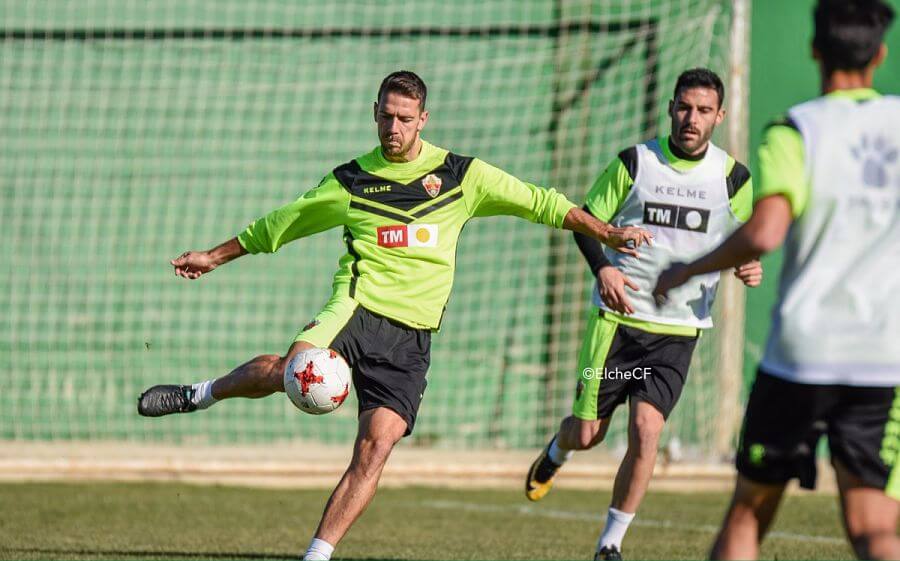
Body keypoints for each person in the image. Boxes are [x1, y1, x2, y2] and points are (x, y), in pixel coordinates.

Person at [136, 70, 650, 561]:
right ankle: (199, 394)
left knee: (374, 449)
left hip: (412, 338)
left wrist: (607, 234)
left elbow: (541, 202)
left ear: (423, 118)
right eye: (385, 117)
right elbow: (279, 226)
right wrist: (212, 255)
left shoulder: (462, 176)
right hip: (356, 311)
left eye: (404, 119)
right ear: (374, 114)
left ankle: (317, 553)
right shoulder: (352, 180)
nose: (393, 128)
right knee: (289, 374)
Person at [653, 2, 900, 559]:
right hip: (883, 357)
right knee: (873, 528)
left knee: (748, 514)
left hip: (802, 356)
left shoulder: (798, 129)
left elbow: (765, 232)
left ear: (814, 50)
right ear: (880, 55)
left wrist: (687, 268)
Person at [525, 68, 761, 561]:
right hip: (615, 327)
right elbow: (585, 223)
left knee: (647, 431)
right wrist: (603, 272)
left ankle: (610, 542)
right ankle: (557, 451)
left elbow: (739, 240)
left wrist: (747, 263)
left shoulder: (733, 178)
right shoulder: (636, 162)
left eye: (702, 111)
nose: (690, 119)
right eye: (683, 107)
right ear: (671, 106)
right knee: (589, 433)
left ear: (719, 116)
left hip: (678, 331)